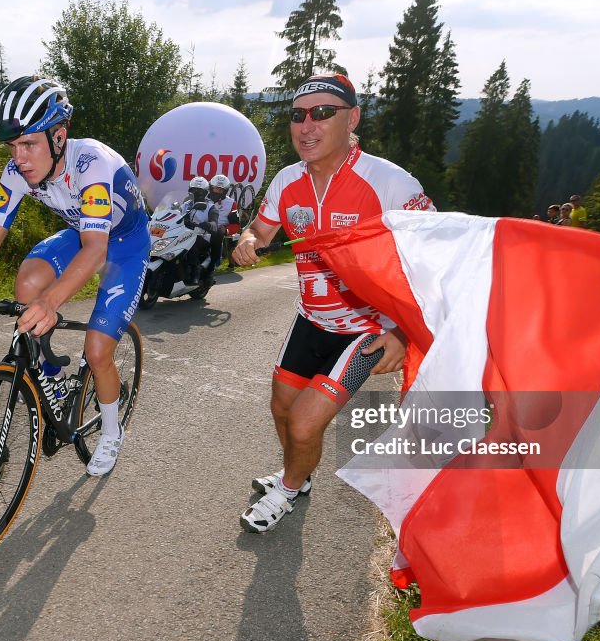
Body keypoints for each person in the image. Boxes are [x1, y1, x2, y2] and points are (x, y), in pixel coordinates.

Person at [231, 73, 436, 533]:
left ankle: (287, 489)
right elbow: (260, 231)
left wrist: (403, 333)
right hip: (311, 319)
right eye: (298, 115)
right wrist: (248, 241)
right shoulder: (288, 181)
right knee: (281, 409)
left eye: (323, 113)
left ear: (353, 118)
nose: (308, 125)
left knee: (305, 424)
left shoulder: (390, 184)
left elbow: (434, 263)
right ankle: (296, 479)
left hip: (365, 329)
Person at [0, 76, 151, 477]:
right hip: (83, 232)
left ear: (59, 137)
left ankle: (112, 431)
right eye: (13, 146)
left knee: (97, 352)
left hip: (124, 244)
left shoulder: (92, 165)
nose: (19, 158)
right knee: (27, 285)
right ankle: (51, 377)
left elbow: (97, 250)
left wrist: (52, 302)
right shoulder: (17, 171)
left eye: (28, 144)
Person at [183, 176, 219, 285]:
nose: (196, 193)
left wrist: (205, 225)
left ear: (205, 192)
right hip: (183, 234)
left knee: (190, 243)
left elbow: (214, 224)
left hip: (202, 237)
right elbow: (174, 213)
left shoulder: (211, 207)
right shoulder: (186, 205)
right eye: (194, 190)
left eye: (199, 191)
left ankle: (196, 271)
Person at [207, 174, 240, 270]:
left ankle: (214, 261)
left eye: (221, 190)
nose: (218, 191)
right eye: (216, 188)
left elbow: (236, 225)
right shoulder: (204, 199)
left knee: (217, 233)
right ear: (211, 188)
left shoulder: (231, 203)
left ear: (225, 191)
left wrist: (225, 229)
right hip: (204, 227)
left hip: (219, 229)